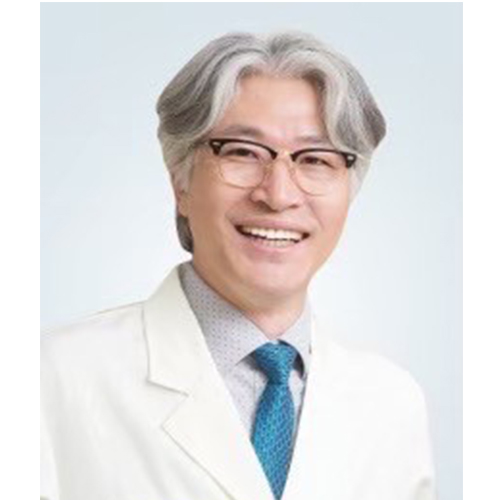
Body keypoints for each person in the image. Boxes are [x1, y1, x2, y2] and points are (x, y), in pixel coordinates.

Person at [41, 31, 437, 500]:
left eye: (316, 159)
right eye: (242, 152)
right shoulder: (50, 378)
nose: (279, 194)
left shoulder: (392, 405)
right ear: (180, 181)